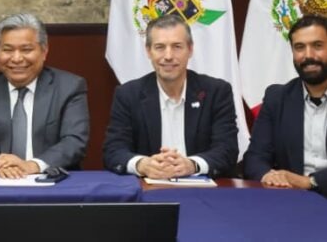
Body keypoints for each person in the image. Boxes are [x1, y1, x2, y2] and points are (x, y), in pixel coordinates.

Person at [102, 14, 238, 179]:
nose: (168, 56)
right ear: (148, 51)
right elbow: (113, 150)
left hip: (204, 187)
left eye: (177, 46)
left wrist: (192, 165)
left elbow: (227, 149)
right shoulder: (128, 94)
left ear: (190, 49)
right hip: (149, 188)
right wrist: (142, 164)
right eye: (160, 47)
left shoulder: (216, 92)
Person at [0, 13, 89, 178]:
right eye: (7, 50)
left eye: (26, 50)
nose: (16, 58)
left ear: (44, 51)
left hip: (52, 181)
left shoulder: (69, 87)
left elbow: (74, 142)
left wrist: (32, 165)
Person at [244, 15, 327, 195]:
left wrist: (310, 182)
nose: (308, 55)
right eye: (299, 47)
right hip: (291, 198)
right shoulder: (277, 98)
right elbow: (255, 157)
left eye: (317, 45)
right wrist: (269, 176)